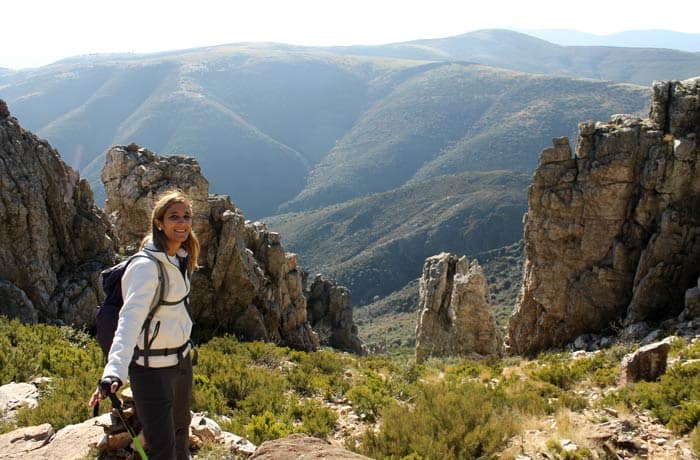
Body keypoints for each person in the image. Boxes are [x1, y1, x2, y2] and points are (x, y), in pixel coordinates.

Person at [89, 190, 200, 460]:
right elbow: (129, 321)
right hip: (151, 371)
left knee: (180, 433)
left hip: (181, 363)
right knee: (162, 448)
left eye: (186, 216)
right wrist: (114, 371)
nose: (182, 223)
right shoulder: (146, 267)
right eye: (174, 217)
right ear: (159, 222)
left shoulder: (179, 258)